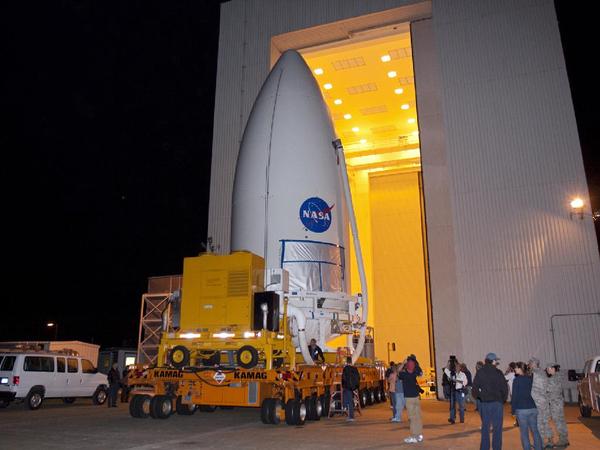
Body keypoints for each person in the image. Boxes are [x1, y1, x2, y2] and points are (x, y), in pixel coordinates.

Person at [472, 352, 508, 450]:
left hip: (485, 404)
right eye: (496, 360)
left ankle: (484, 448)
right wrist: (502, 400)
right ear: (492, 361)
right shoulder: (498, 373)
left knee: (485, 428)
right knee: (497, 428)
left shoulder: (480, 372)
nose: (496, 362)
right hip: (497, 404)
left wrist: (480, 397)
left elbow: (474, 390)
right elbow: (505, 388)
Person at [511, 362, 543, 450]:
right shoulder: (531, 379)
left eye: (516, 368)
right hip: (533, 408)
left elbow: (514, 396)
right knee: (535, 431)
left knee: (524, 433)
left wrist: (513, 411)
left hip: (522, 410)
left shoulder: (516, 380)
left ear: (520, 369)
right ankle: (539, 448)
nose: (515, 369)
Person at [397, 355, 424, 444]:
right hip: (416, 397)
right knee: (418, 417)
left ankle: (413, 436)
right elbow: (421, 373)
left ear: (407, 365)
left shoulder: (404, 374)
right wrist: (416, 361)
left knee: (412, 418)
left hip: (409, 398)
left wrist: (403, 362)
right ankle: (419, 435)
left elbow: (398, 372)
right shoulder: (415, 373)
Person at [545, 363, 570, 448]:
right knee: (560, 421)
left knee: (558, 421)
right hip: (556, 402)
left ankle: (563, 440)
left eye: (548, 368)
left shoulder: (554, 378)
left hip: (555, 403)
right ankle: (564, 439)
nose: (547, 370)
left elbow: (547, 388)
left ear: (552, 368)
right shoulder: (555, 377)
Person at [529, 357, 552, 448]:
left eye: (530, 363)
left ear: (533, 364)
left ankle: (540, 444)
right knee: (546, 421)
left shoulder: (532, 373)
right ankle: (550, 441)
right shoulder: (544, 372)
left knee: (538, 423)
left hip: (537, 401)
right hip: (545, 400)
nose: (529, 365)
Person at [444, 357, 468, 424]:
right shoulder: (452, 374)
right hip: (453, 391)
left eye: (458, 367)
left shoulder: (463, 374)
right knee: (452, 406)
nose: (456, 368)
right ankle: (452, 418)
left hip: (460, 391)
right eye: (456, 366)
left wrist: (456, 380)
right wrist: (448, 363)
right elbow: (446, 370)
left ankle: (462, 419)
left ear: (460, 368)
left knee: (461, 407)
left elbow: (465, 382)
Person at [341, 356, 360, 422]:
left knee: (349, 401)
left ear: (346, 362)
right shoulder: (355, 368)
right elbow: (358, 377)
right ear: (351, 361)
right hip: (353, 387)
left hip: (347, 387)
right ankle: (349, 414)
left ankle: (351, 416)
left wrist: (344, 386)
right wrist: (355, 386)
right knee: (350, 401)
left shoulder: (345, 368)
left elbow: (344, 378)